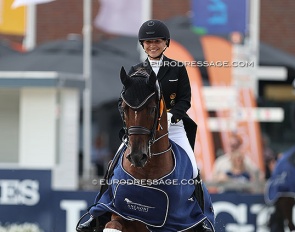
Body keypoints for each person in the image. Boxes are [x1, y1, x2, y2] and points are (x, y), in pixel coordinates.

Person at [77, 19, 212, 232]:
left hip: (172, 127)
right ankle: (98, 212)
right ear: (143, 45)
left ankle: (201, 217)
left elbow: (185, 100)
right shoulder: (136, 70)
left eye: (157, 41)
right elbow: (130, 100)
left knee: (193, 168)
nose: (152, 45)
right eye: (148, 42)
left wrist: (170, 116)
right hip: (142, 127)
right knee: (114, 165)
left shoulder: (177, 69)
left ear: (165, 43)